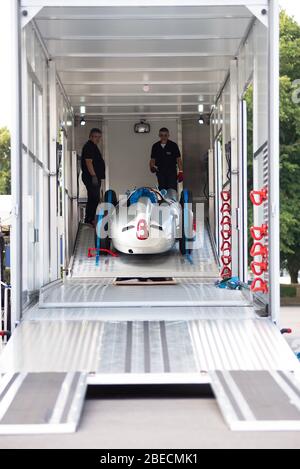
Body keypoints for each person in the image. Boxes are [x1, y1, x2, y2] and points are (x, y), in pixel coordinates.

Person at [81, 128, 106, 226]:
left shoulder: (93, 147)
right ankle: (90, 219)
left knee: (94, 198)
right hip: (91, 177)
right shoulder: (89, 147)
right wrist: (94, 175)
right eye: (95, 137)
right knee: (93, 198)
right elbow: (88, 162)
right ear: (90, 136)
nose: (98, 139)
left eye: (99, 137)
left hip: (93, 177)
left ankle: (90, 219)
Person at [149, 127, 183, 192]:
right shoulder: (155, 146)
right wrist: (152, 167)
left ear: (168, 135)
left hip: (171, 172)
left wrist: (181, 172)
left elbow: (178, 159)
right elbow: (152, 159)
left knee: (172, 190)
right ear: (159, 135)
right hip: (160, 172)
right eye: (161, 135)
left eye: (165, 135)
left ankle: (173, 202)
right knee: (162, 191)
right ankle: (163, 202)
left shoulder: (173, 145)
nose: (163, 137)